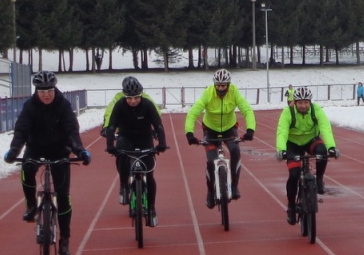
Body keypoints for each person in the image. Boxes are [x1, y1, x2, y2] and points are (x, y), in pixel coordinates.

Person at [3, 71, 91, 255]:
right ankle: (31, 206)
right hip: (35, 148)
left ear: (55, 89)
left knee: (64, 196)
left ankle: (65, 239)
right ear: (36, 91)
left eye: (50, 90)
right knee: (26, 169)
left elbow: (72, 130)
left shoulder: (63, 105)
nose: (46, 95)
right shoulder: (30, 106)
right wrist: (14, 151)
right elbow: (21, 130)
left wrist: (79, 150)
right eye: (42, 91)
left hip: (60, 150)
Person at [185, 69, 256, 207]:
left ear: (229, 85)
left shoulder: (234, 92)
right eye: (218, 85)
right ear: (214, 85)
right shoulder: (208, 94)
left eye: (224, 85)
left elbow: (247, 110)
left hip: (229, 128)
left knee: (235, 151)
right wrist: (189, 133)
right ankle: (210, 192)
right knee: (211, 161)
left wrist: (250, 130)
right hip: (210, 129)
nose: (221, 88)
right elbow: (193, 113)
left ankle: (234, 186)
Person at [104, 77, 168, 226]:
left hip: (145, 139)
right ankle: (124, 185)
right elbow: (112, 126)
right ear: (125, 96)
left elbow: (158, 125)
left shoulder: (148, 105)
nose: (133, 101)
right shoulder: (120, 105)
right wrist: (110, 145)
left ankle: (151, 209)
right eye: (129, 98)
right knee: (121, 156)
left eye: (136, 98)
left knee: (149, 175)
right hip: (126, 138)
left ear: (141, 95)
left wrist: (162, 144)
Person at [275, 86, 338, 224]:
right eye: (300, 103)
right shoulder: (288, 112)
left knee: (322, 153)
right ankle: (291, 206)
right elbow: (282, 131)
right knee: (294, 175)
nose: (303, 106)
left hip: (311, 140)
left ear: (310, 102)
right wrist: (281, 149)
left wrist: (331, 147)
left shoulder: (316, 110)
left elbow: (325, 128)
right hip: (293, 144)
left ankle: (319, 179)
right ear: (295, 102)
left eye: (306, 103)